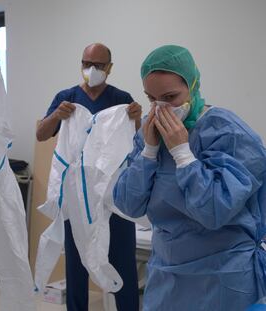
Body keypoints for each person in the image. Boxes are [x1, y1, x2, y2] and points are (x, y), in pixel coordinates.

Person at [113, 44, 266, 311]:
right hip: (167, 273)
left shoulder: (228, 133)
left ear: (194, 85)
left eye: (170, 96)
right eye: (152, 98)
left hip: (223, 276)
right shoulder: (150, 134)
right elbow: (127, 204)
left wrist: (183, 154)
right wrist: (149, 152)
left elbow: (215, 210)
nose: (161, 108)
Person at [37, 43, 141, 311]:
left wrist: (136, 118)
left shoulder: (121, 99)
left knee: (124, 264)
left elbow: (137, 140)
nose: (91, 70)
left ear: (110, 68)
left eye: (98, 65)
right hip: (77, 196)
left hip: (112, 195)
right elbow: (41, 133)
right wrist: (56, 116)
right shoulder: (67, 97)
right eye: (86, 64)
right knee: (77, 264)